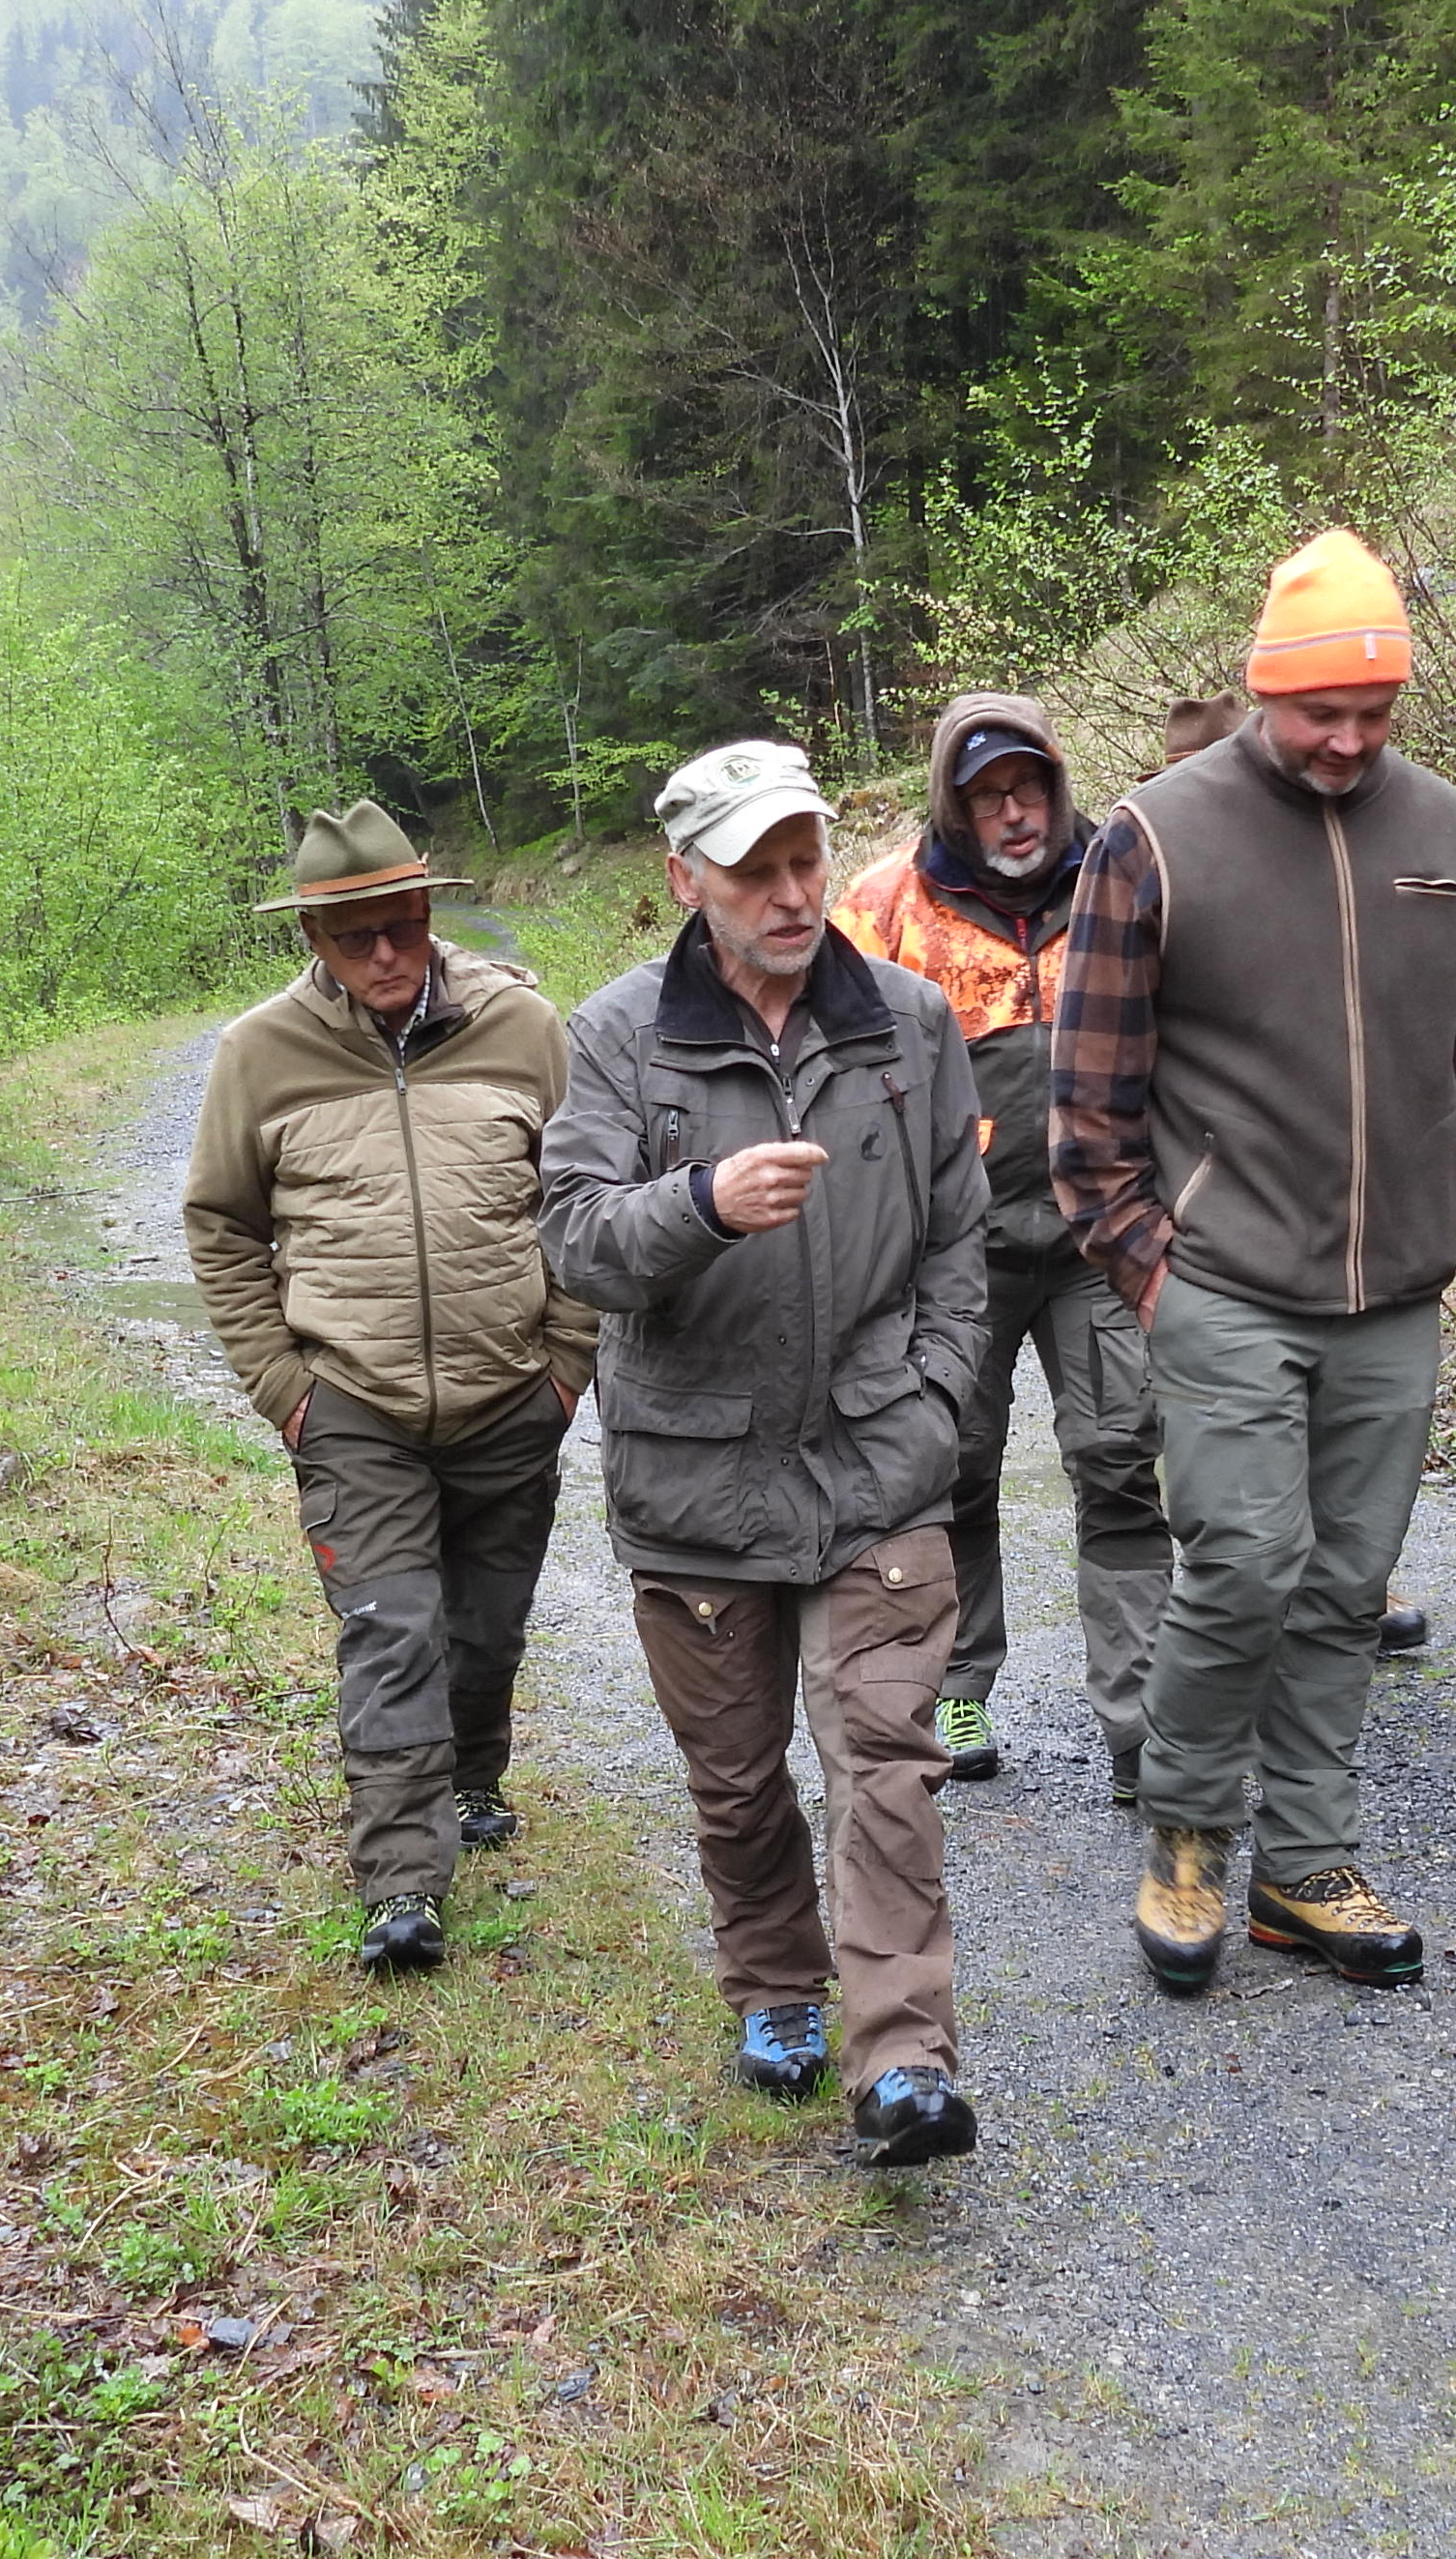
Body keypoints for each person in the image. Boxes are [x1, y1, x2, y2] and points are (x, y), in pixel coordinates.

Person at [1053, 529, 1456, 1996]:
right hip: (1219, 1279)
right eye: (1318, 713)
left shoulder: (1451, 836)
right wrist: (1150, 1265)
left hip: (1393, 1291)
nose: (1348, 742)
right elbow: (1088, 1105)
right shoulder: (1155, 837)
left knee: (1347, 1583)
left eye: (1374, 712)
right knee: (1243, 1565)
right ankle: (1185, 1837)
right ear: (1262, 690)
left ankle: (1307, 1864)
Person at [540, 740, 992, 2165]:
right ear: (689, 881)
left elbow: (959, 1245)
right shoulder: (620, 1037)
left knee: (887, 1761)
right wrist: (701, 1202)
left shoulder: (910, 1024)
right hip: (698, 1475)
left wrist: (931, 1400)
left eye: (807, 859)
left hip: (877, 1465)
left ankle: (904, 2056)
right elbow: (574, 1244)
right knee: (738, 1779)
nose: (796, 894)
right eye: (757, 871)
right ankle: (774, 1980)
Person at [182, 801, 594, 1975]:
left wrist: (567, 1363)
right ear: (313, 937)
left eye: (402, 927)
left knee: (484, 1627)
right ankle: (402, 1884)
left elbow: (583, 1195)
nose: (384, 957)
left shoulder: (521, 1026)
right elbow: (219, 1225)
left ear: (429, 913)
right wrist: (284, 1385)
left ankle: (474, 1771)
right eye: (354, 936)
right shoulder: (257, 1055)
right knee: (389, 1631)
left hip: (511, 1387)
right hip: (351, 1404)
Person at [840, 695, 1168, 1799]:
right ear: (954, 802)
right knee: (952, 1468)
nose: (1014, 813)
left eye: (1029, 788)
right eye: (988, 796)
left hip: (1100, 1237)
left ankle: (1143, 1717)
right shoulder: (886, 908)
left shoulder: (1126, 876)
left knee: (1122, 1463)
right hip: (955, 1251)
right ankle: (961, 1685)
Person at [1164, 688, 1432, 1661]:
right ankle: (1226, 1616)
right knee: (1218, 1470)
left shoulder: (1354, 846)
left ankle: (1330, 1588)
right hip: (1209, 1226)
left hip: (1357, 1228)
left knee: (1336, 1416)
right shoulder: (1155, 853)